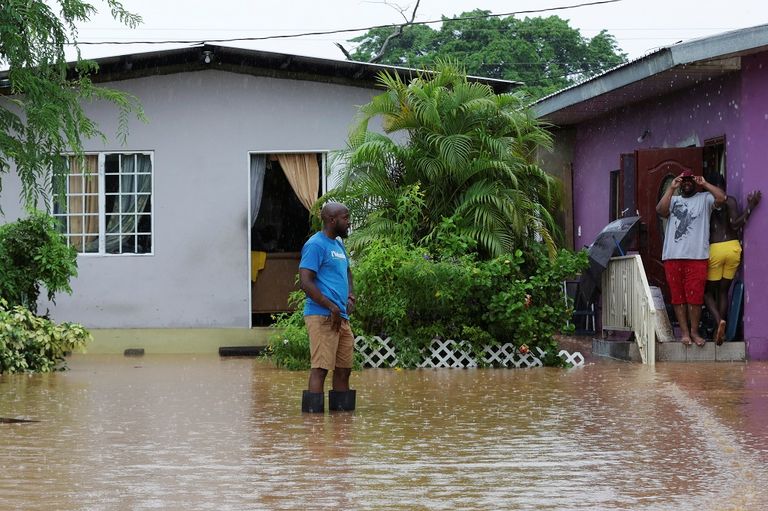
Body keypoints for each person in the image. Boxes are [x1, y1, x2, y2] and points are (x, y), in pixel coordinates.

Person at [656, 170, 726, 347]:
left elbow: (722, 198)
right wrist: (672, 188)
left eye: (690, 180)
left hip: (697, 258)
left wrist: (705, 184)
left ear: (694, 182)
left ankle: (694, 332)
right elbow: (660, 210)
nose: (687, 183)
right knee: (678, 298)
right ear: (680, 182)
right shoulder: (674, 200)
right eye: (684, 180)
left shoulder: (704, 198)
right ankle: (685, 334)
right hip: (672, 257)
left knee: (695, 298)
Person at [298, 202, 356, 413]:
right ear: (332, 220)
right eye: (345, 218)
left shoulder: (338, 245)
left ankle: (342, 426)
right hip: (322, 316)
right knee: (321, 369)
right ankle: (314, 430)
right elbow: (305, 281)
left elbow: (348, 272)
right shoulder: (316, 245)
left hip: (340, 316)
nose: (349, 222)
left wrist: (351, 295)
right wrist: (330, 306)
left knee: (344, 369)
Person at [704, 187, 761, 344]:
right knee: (723, 291)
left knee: (708, 293)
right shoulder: (730, 200)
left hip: (716, 249)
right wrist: (752, 206)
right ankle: (719, 328)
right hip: (733, 248)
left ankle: (718, 322)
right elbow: (736, 225)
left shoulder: (707, 203)